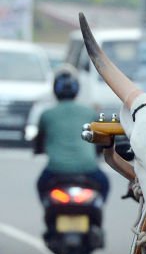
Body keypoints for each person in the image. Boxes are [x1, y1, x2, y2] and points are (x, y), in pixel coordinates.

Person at [34, 65, 109, 203]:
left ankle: (47, 210)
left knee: (40, 185)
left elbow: (39, 143)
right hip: (88, 168)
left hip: (55, 169)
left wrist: (38, 150)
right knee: (104, 183)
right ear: (77, 89)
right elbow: (99, 142)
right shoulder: (90, 112)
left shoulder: (46, 114)